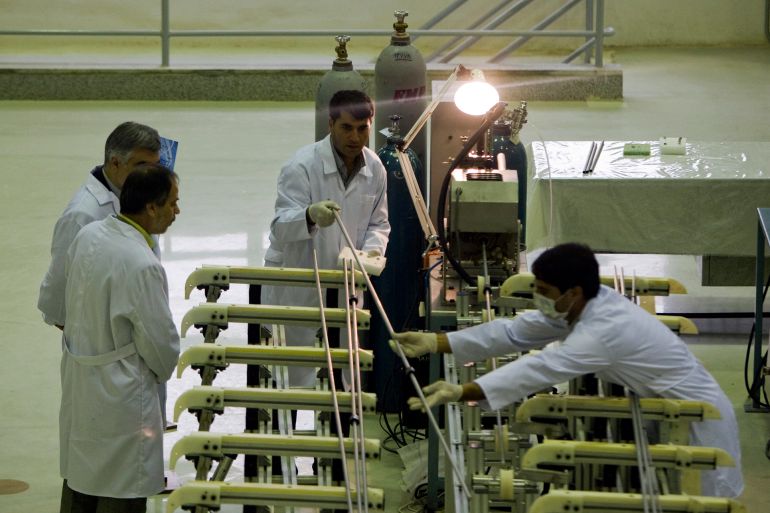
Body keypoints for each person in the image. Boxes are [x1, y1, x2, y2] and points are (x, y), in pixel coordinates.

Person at [392, 243, 743, 498]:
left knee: (698, 504)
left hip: (700, 424)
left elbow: (543, 367)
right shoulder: (585, 304)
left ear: (572, 293)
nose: (538, 298)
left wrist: (464, 391)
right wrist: (436, 341)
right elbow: (514, 331)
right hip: (663, 410)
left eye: (544, 291)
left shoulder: (601, 331)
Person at [37, 121, 176, 429]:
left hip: (134, 349)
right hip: (104, 363)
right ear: (115, 162)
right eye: (141, 166)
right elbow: (56, 299)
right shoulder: (83, 216)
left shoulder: (136, 198)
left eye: (155, 167)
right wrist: (100, 341)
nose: (150, 176)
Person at [59, 164, 180, 513]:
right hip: (124, 399)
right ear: (151, 207)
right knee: (119, 489)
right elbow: (161, 347)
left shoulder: (90, 235)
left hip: (81, 379)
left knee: (81, 479)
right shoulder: (142, 262)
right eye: (172, 203)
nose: (177, 211)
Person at [262, 89, 390, 388]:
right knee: (287, 386)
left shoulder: (375, 169)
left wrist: (370, 253)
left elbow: (379, 223)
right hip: (298, 289)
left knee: (340, 384)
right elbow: (280, 227)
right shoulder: (302, 166)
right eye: (346, 127)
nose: (355, 137)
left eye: (362, 128)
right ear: (330, 124)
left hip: (346, 287)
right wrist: (308, 215)